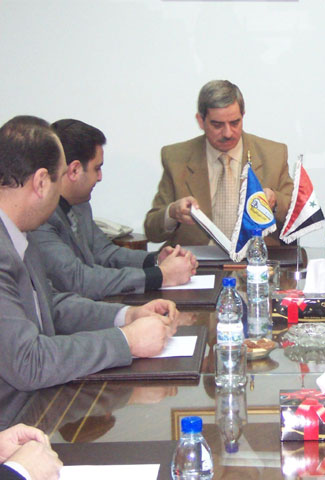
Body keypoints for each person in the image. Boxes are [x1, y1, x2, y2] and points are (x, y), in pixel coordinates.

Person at [0, 115, 178, 412]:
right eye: (59, 178)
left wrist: (127, 315)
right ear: (42, 182)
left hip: (43, 401)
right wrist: (126, 341)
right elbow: (30, 362)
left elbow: (51, 306)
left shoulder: (18, 234)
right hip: (17, 420)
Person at [28, 119, 197, 301]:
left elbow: (105, 253)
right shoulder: (40, 218)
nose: (100, 177)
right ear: (75, 170)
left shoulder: (80, 204)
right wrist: (159, 276)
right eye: (97, 168)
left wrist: (155, 260)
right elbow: (77, 280)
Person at [144, 80, 293, 246]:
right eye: (217, 125)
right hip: (197, 258)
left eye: (235, 123)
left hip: (256, 257)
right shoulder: (176, 158)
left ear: (243, 116)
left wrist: (275, 201)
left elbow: (298, 216)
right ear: (201, 121)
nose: (228, 133)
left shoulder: (273, 155)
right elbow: (152, 231)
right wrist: (172, 213)